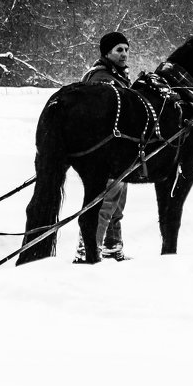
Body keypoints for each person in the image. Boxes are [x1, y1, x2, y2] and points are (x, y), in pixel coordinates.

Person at [75, 31, 131, 262]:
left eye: (126, 50)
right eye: (119, 50)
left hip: (119, 149)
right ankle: (87, 249)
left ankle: (111, 246)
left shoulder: (116, 76)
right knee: (105, 200)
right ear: (107, 52)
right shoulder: (101, 78)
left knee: (117, 201)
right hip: (104, 151)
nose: (124, 54)